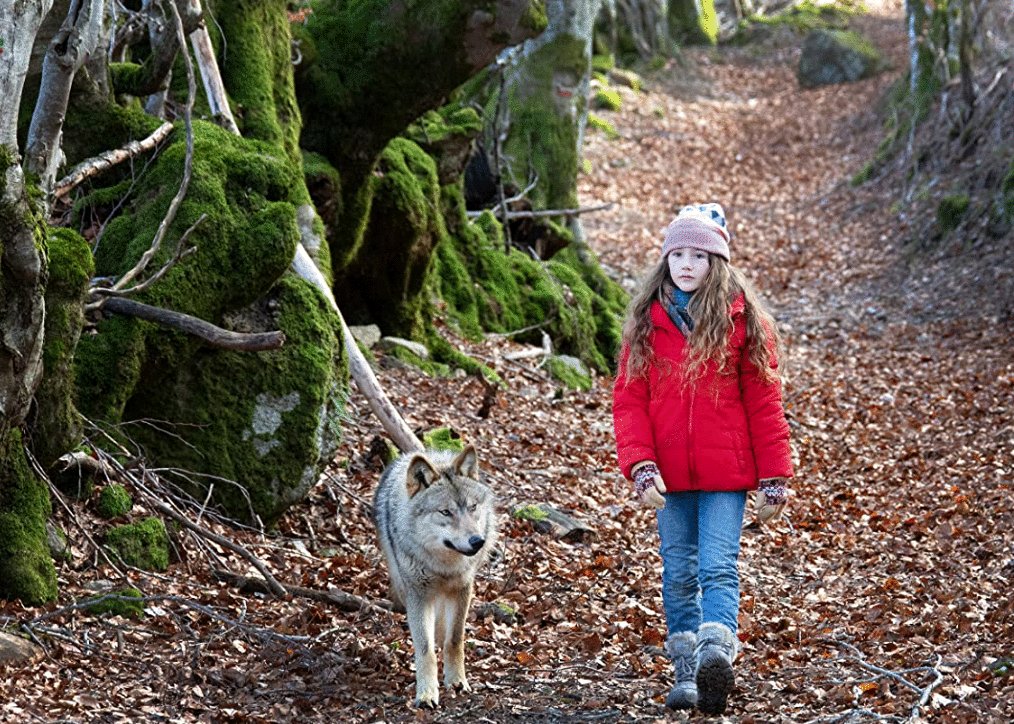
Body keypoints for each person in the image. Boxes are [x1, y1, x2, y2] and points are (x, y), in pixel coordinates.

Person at [612, 203, 793, 715]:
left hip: (725, 475)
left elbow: (764, 402)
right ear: (666, 259)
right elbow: (628, 402)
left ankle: (718, 657)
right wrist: (641, 465)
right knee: (678, 570)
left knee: (717, 566)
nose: (687, 264)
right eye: (678, 254)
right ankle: (687, 672)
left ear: (718, 263)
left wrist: (775, 476)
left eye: (699, 255)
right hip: (667, 475)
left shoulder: (743, 322)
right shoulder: (647, 325)